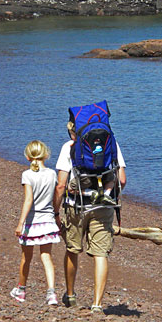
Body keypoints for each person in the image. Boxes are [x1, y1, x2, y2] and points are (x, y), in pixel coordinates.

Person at [53, 121, 127, 312]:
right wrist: (109, 193)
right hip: (103, 206)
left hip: (76, 205)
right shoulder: (112, 144)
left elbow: (61, 185)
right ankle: (97, 304)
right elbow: (122, 180)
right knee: (100, 254)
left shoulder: (68, 147)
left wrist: (55, 211)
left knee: (72, 249)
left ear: (72, 132)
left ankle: (70, 296)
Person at [11, 140, 61, 305]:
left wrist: (20, 223)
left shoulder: (27, 175)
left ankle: (21, 290)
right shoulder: (52, 174)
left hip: (33, 221)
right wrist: (56, 214)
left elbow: (28, 200)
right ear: (46, 155)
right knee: (46, 256)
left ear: (27, 156)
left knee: (26, 257)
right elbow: (55, 197)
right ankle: (51, 293)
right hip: (47, 221)